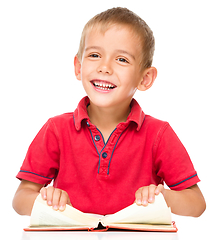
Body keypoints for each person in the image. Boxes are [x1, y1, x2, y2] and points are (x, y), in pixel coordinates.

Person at [13, 7, 206, 217]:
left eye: (122, 59)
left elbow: (196, 204)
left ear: (145, 79)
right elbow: (20, 199)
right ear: (78, 67)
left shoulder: (159, 133)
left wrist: (164, 198)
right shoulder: (56, 129)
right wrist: (46, 199)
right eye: (95, 55)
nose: (105, 67)